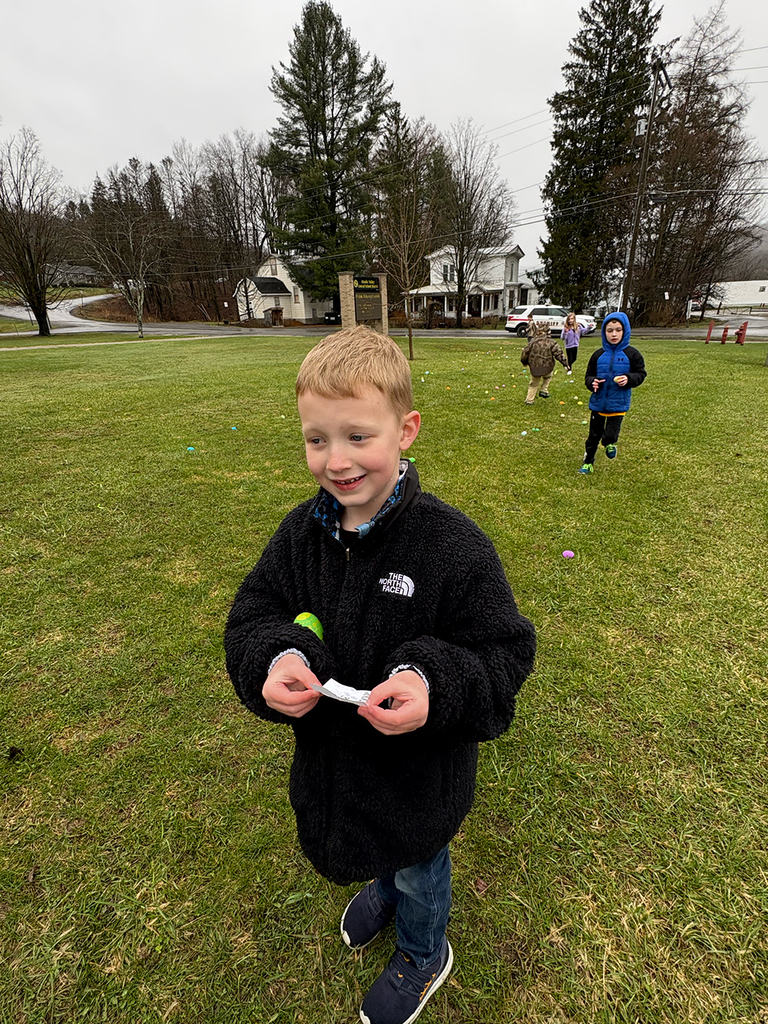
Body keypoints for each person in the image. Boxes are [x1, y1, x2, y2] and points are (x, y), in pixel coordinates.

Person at [225, 325, 536, 1024]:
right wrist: (276, 659)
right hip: (338, 767)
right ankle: (386, 886)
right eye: (317, 438)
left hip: (419, 781)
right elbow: (254, 614)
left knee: (421, 866)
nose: (336, 460)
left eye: (358, 436)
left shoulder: (454, 548)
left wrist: (433, 684)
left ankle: (425, 950)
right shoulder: (298, 536)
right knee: (382, 853)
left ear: (407, 430)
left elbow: (504, 652)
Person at [578, 311, 646, 474]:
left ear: (625, 331)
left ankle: (609, 442)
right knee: (593, 436)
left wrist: (629, 379)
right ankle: (588, 462)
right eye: (609, 330)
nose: (614, 334)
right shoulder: (598, 355)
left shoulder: (632, 354)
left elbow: (641, 374)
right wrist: (591, 382)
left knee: (610, 435)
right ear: (604, 332)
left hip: (618, 404)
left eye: (618, 330)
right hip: (598, 403)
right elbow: (589, 376)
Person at [520, 321, 569, 404]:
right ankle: (544, 389)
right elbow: (559, 354)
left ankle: (529, 400)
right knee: (548, 376)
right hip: (548, 366)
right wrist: (565, 364)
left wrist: (524, 362)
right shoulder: (552, 343)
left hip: (535, 366)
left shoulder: (532, 342)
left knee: (534, 383)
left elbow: (525, 353)